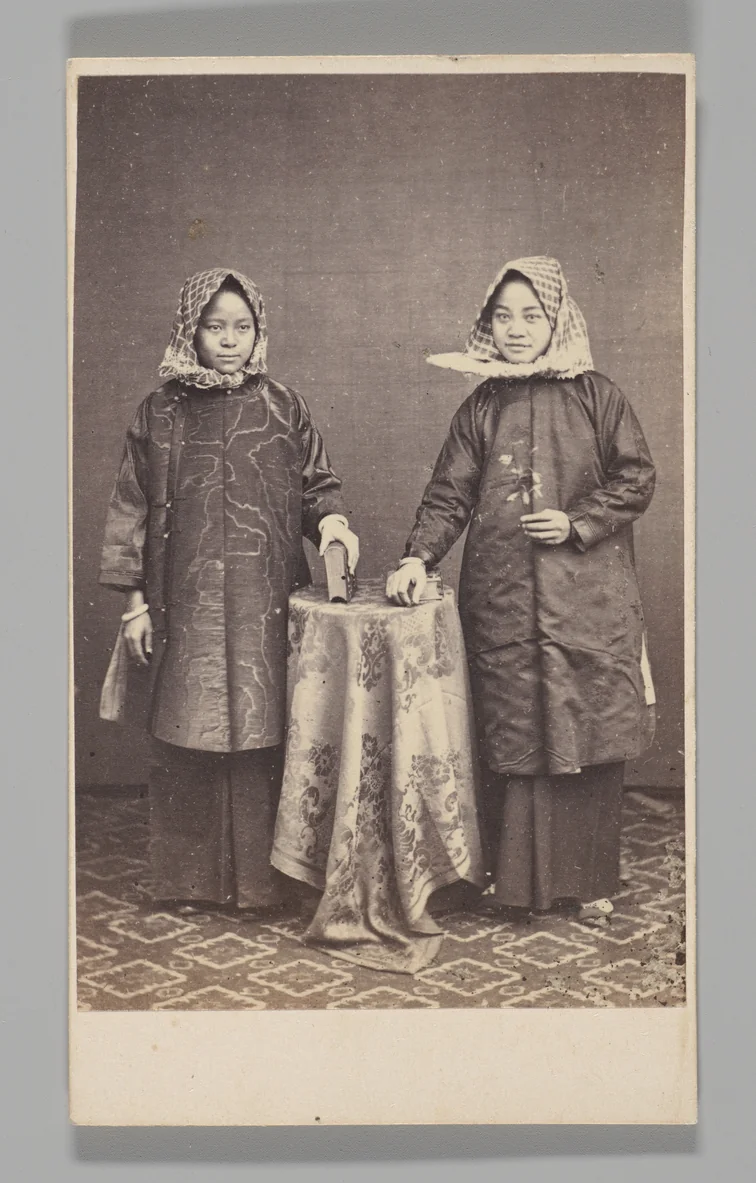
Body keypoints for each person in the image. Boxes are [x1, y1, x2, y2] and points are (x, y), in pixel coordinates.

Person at [386, 256, 656, 920]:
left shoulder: (599, 396)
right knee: (511, 729)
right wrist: (417, 558)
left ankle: (586, 881)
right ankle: (510, 885)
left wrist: (577, 522)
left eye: (531, 315)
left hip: (588, 599)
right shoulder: (482, 405)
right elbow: (448, 496)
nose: (516, 328)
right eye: (503, 316)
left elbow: (637, 478)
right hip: (503, 596)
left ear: (557, 321)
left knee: (587, 727)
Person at [100, 268, 358, 916]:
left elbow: (317, 485)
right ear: (191, 331)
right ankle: (188, 882)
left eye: (242, 327)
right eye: (214, 327)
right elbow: (130, 507)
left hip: (264, 599)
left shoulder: (284, 406)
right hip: (181, 603)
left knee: (266, 731)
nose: (229, 340)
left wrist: (331, 523)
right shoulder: (159, 411)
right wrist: (133, 604)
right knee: (187, 729)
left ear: (258, 331)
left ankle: (267, 885)